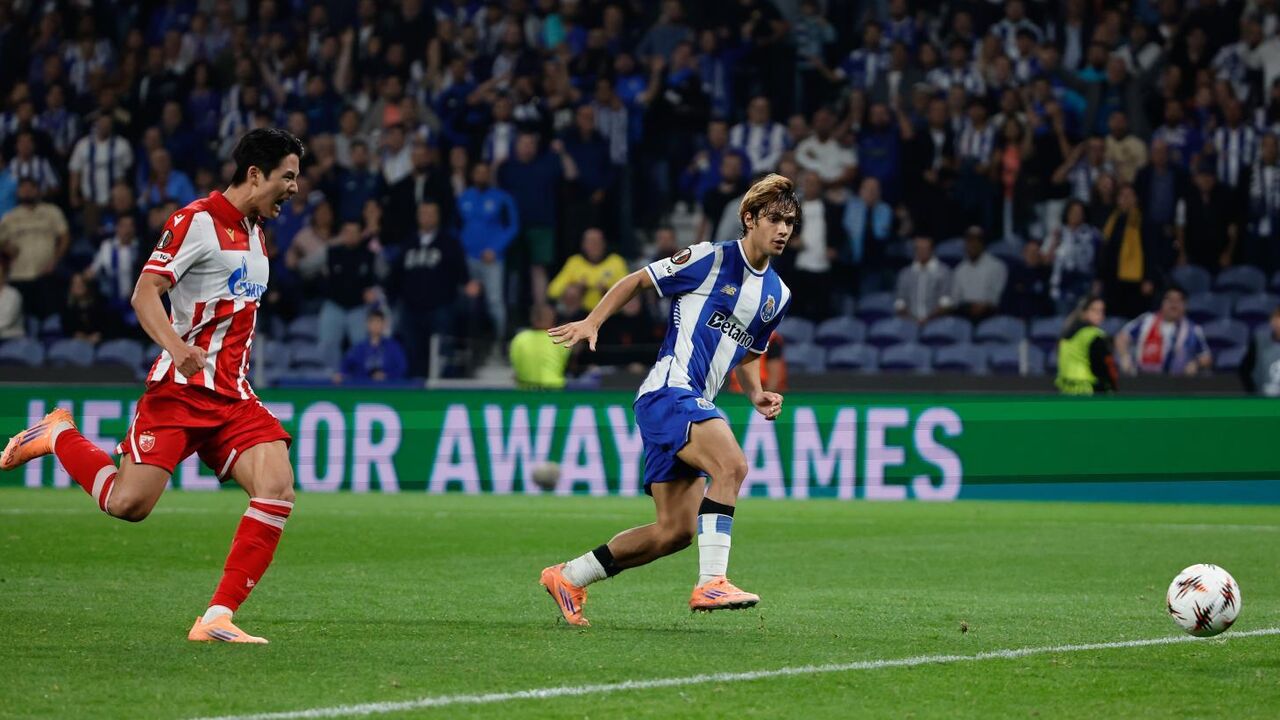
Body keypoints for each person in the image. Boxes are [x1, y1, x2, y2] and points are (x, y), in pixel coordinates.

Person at [0, 128, 306, 645]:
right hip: (180, 392)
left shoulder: (258, 232)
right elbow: (146, 293)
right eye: (288, 177)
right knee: (128, 505)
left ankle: (216, 618)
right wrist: (177, 347)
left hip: (232, 395)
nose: (295, 189)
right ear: (255, 175)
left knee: (277, 488)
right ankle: (58, 435)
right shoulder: (196, 221)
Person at [539, 174, 797, 626]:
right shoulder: (709, 258)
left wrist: (756, 393)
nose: (782, 230)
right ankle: (712, 581)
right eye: (774, 219)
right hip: (668, 391)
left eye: (790, 222)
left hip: (687, 402)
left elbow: (752, 350)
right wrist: (593, 321)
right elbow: (638, 281)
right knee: (732, 466)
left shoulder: (777, 294)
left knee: (674, 531)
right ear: (749, 218)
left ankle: (569, 576)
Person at [1114, 286, 1213, 376]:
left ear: (1185, 305)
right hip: (1142, 379)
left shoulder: (1193, 329)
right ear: (1162, 303)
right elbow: (1121, 337)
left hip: (1177, 384)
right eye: (1170, 300)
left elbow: (1206, 357)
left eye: (1178, 300)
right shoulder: (1147, 320)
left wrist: (1196, 363)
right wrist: (1124, 357)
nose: (1174, 304)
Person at [547, 228, 629, 311]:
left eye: (598, 241)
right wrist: (578, 287)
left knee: (631, 299)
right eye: (590, 242)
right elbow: (553, 291)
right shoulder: (575, 262)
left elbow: (628, 288)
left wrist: (607, 291)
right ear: (583, 245)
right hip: (580, 313)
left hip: (610, 312)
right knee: (572, 292)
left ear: (604, 243)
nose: (594, 245)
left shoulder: (615, 261)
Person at [1055, 294, 1118, 395]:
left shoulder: (1065, 334)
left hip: (1065, 391)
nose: (1101, 315)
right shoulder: (1094, 336)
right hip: (1088, 392)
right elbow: (1106, 368)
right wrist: (1112, 388)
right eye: (1095, 311)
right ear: (1084, 312)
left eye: (1102, 311)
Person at [951, 226, 1008, 321]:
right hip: (964, 313)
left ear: (982, 244)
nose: (972, 245)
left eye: (976, 240)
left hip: (989, 313)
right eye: (969, 240)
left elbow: (997, 297)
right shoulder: (960, 269)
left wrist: (983, 306)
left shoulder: (997, 266)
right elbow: (955, 298)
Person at [337, 308, 407, 384]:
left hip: (387, 388)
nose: (375, 325)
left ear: (384, 324)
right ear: (367, 324)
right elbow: (345, 366)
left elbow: (402, 368)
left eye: (379, 322)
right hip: (363, 389)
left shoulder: (394, 347)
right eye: (372, 321)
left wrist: (387, 376)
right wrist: (341, 375)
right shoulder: (358, 348)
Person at [510, 304, 571, 389]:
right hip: (554, 390)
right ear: (552, 318)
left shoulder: (519, 338)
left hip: (526, 390)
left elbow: (515, 364)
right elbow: (567, 363)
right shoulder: (561, 338)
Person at [894, 235, 953, 323]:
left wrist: (928, 320)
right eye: (918, 249)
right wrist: (913, 320)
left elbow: (946, 302)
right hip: (910, 322)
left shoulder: (944, 272)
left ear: (932, 250)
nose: (921, 252)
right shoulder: (905, 273)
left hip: (936, 321)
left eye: (924, 249)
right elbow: (900, 302)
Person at [1240, 306, 1280, 396]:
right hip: (1262, 398)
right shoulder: (1259, 341)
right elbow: (1245, 369)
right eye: (1276, 318)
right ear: (1271, 321)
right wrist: (1253, 393)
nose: (1278, 323)